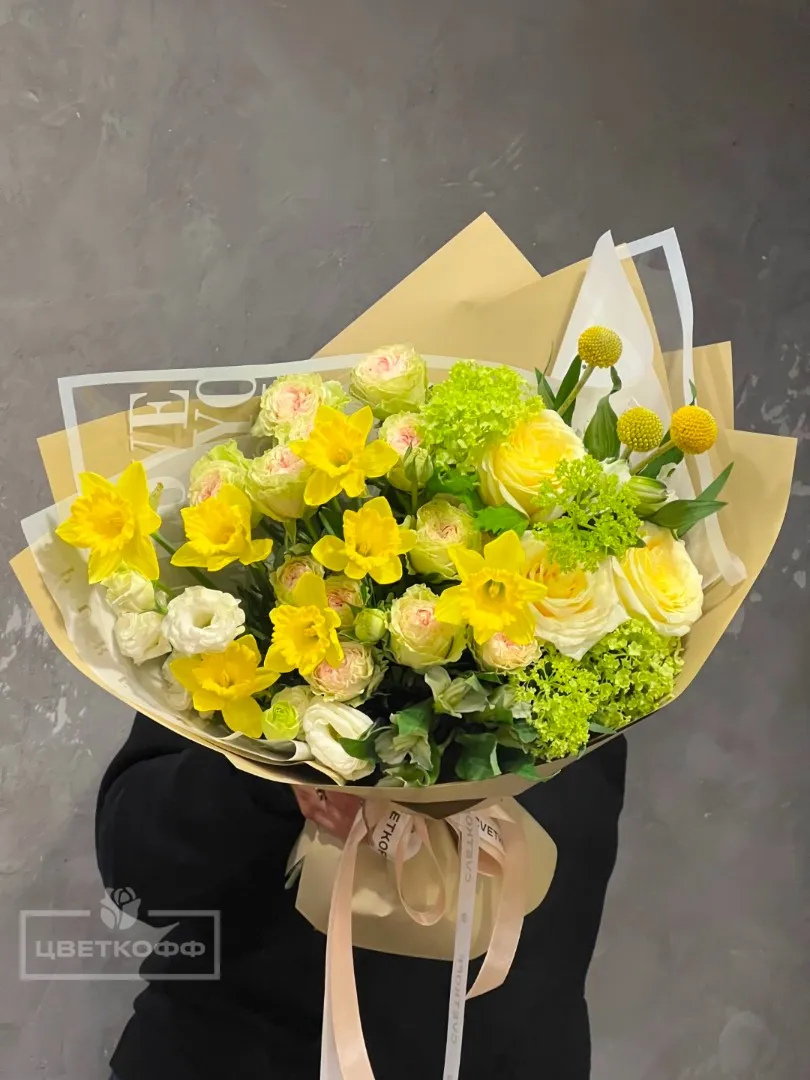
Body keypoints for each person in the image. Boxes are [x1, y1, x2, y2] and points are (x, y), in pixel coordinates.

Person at [97, 712, 626, 1080]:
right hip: (234, 1054)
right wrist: (277, 765)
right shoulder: (255, 609)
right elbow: (136, 877)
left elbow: (560, 928)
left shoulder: (605, 635)